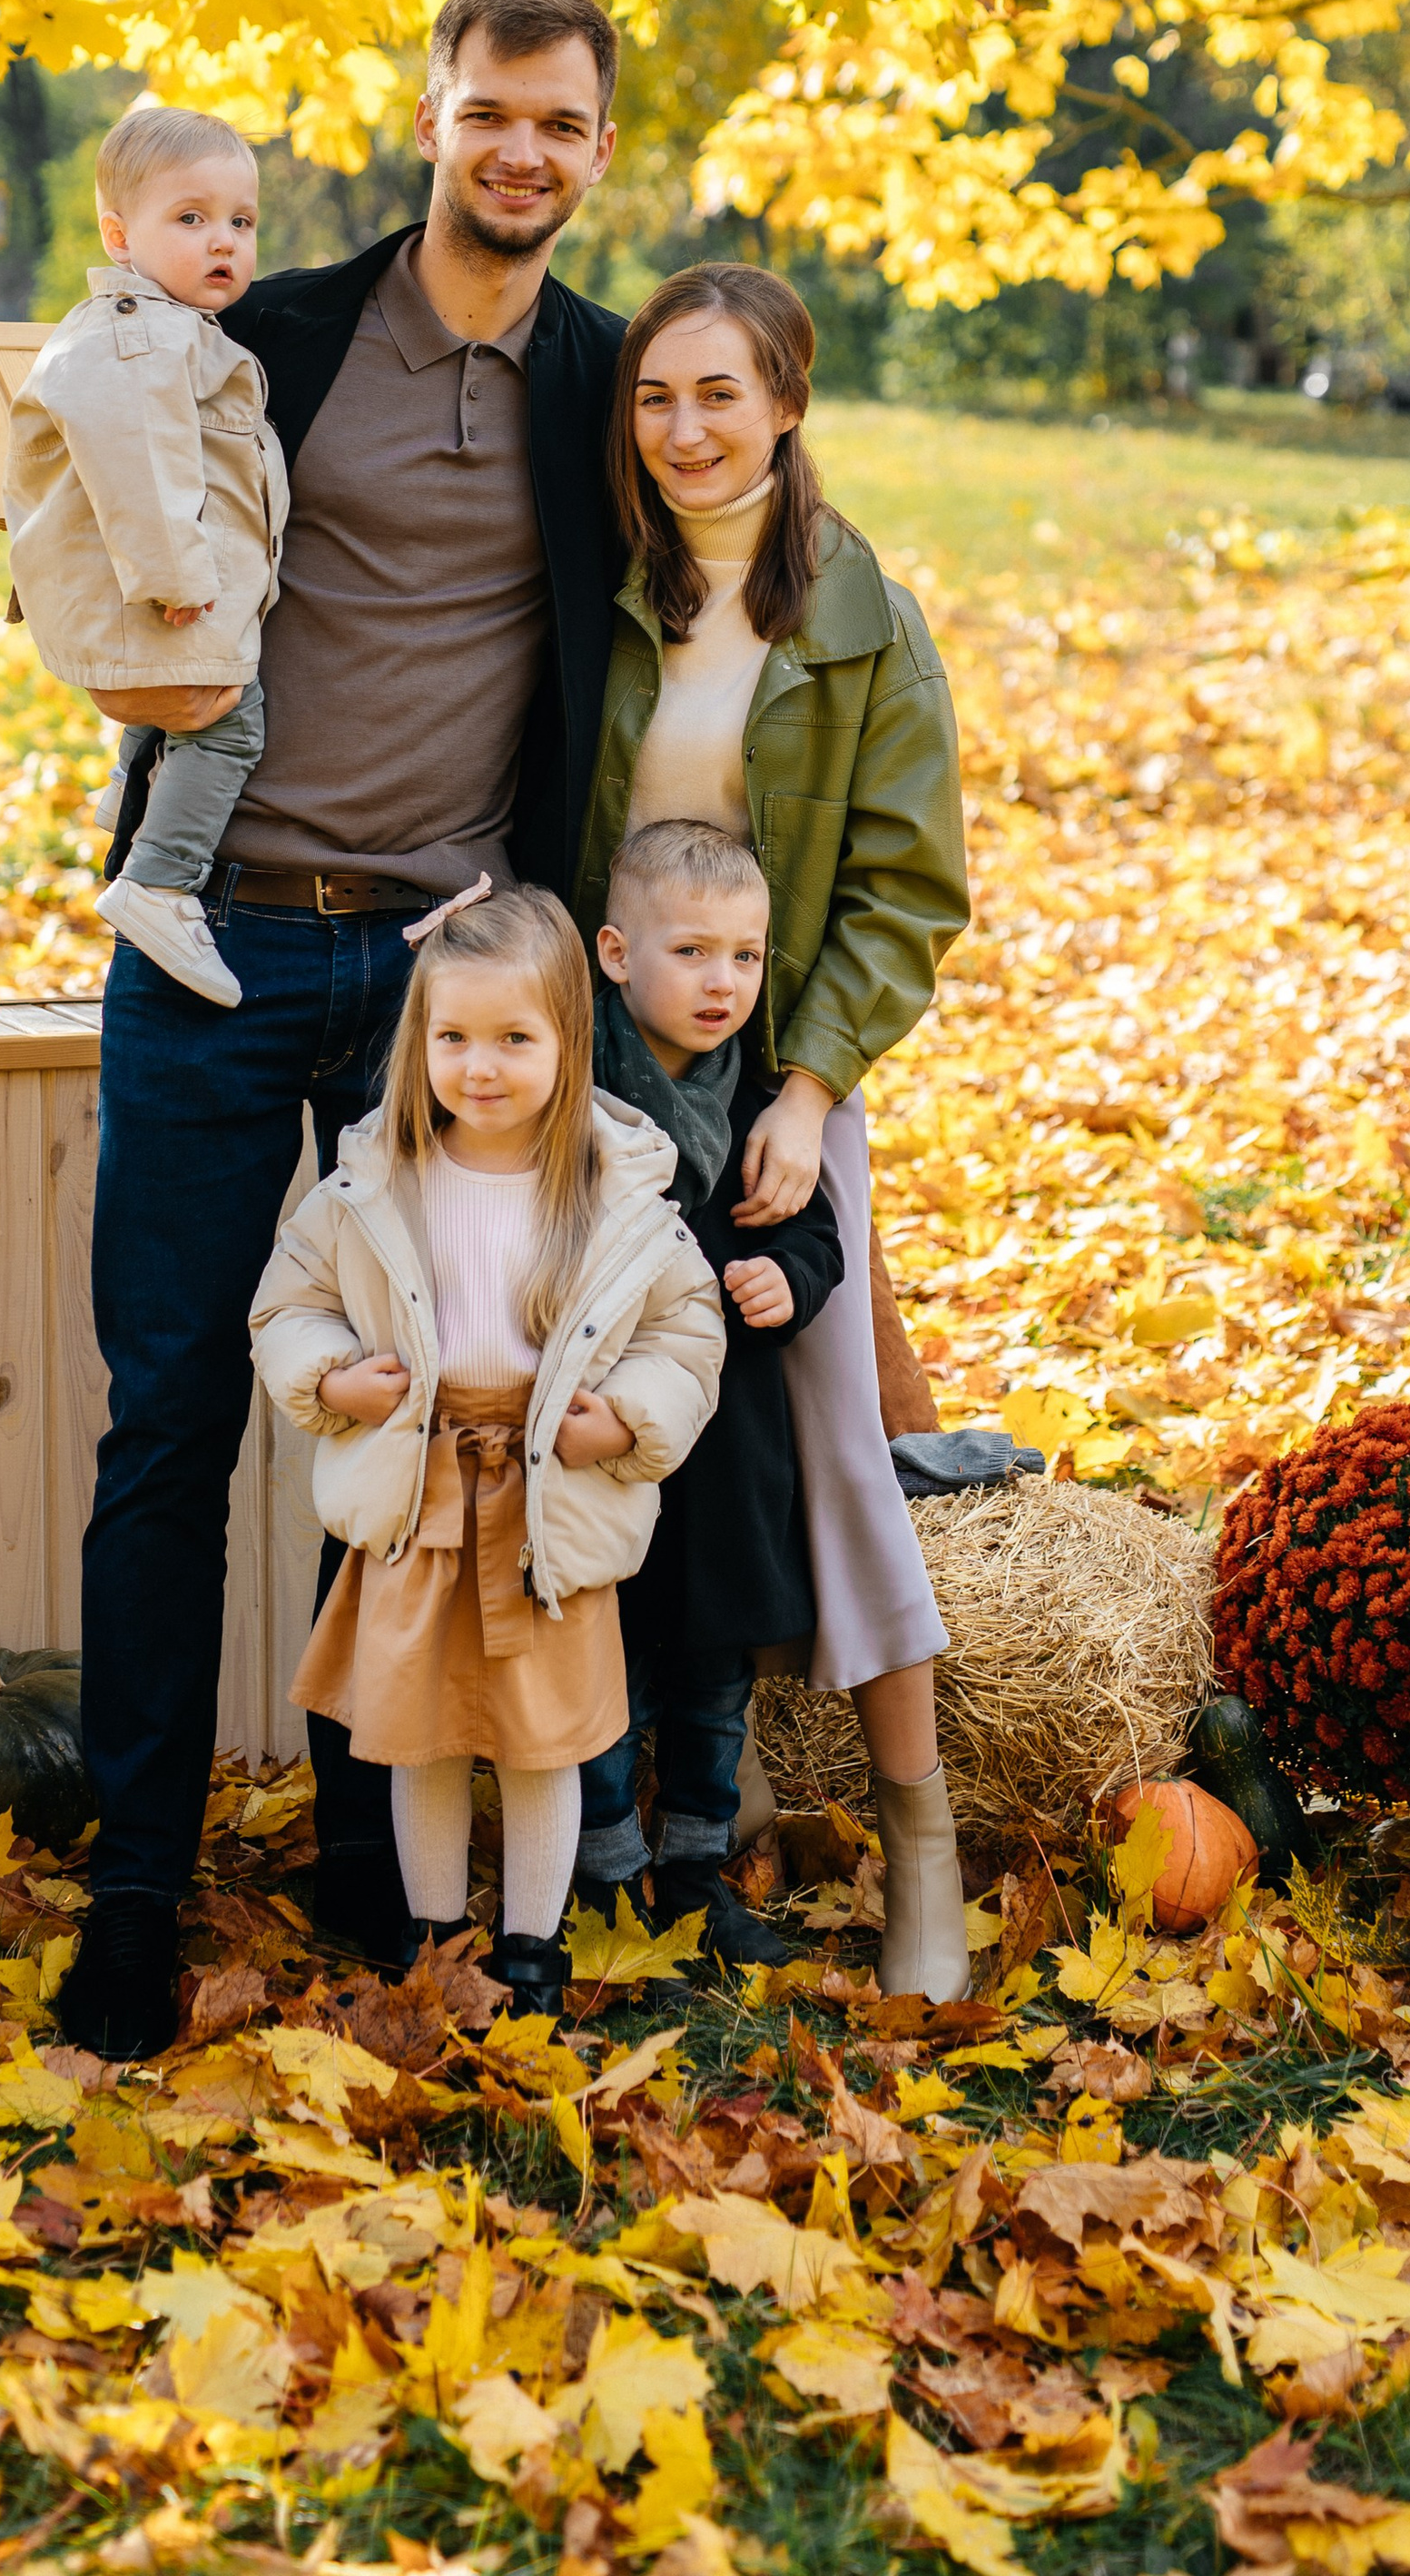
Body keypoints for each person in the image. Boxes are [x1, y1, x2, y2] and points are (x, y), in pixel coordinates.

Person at [64, 0, 629, 2061]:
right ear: (431, 118)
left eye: (558, 125)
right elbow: (110, 517)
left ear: (592, 151)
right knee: (170, 1422)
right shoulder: (273, 331)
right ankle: (131, 1880)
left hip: (433, 988)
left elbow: (718, 575)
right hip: (209, 947)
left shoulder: (598, 378)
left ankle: (367, 1855)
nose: (520, 150)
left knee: (420, 1408)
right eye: (490, 111)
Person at [571, 263, 975, 1999]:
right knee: (575, 1436)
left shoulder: (860, 614)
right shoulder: (601, 583)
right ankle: (592, 1844)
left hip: (774, 1085)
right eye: (658, 395)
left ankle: (924, 1840)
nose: (685, 428)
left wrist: (807, 1095)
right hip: (586, 1084)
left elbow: (905, 890)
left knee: (827, 1454)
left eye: (721, 394)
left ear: (790, 401)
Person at [250, 884, 724, 2016]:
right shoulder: (376, 1179)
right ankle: (436, 1940)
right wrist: (329, 1375)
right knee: (422, 1737)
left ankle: (530, 1948)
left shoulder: (613, 1191)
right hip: (422, 1490)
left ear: (570, 1037)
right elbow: (290, 1302)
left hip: (545, 1500)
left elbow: (687, 1327)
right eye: (454, 1037)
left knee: (539, 1741)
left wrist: (630, 1417)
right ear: (420, 1042)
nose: (481, 1065)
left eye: (515, 1038)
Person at [577, 815, 842, 1969]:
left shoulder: (761, 1103)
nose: (722, 980)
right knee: (601, 1669)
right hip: (609, 1433)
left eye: (745, 955)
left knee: (709, 1676)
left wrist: (784, 1276)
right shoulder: (575, 1089)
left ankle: (695, 1870)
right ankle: (602, 1877)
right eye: (692, 952)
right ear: (617, 952)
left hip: (728, 1445)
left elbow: (818, 1236)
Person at [5, 107, 284, 1009]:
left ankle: (127, 785)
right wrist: (174, 577)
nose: (224, 242)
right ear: (121, 237)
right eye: (191, 218)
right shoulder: (140, 334)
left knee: (181, 709)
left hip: (170, 593)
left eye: (240, 221)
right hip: (169, 593)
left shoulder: (164, 328)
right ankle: (161, 881)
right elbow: (141, 463)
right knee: (231, 718)